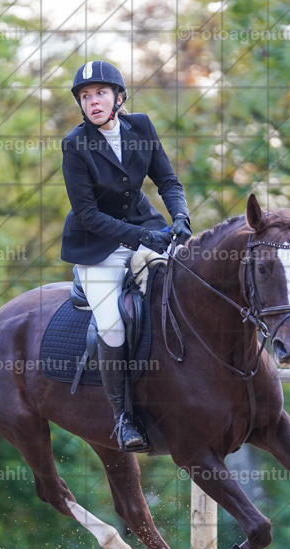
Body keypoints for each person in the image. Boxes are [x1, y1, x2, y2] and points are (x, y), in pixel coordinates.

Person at [60, 60, 191, 452]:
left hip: (146, 230)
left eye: (100, 92)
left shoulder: (142, 128)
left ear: (118, 97)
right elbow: (87, 214)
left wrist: (181, 216)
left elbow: (167, 180)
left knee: (184, 289)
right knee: (113, 326)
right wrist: (142, 237)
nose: (92, 101)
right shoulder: (75, 145)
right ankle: (123, 417)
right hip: (96, 248)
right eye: (85, 96)